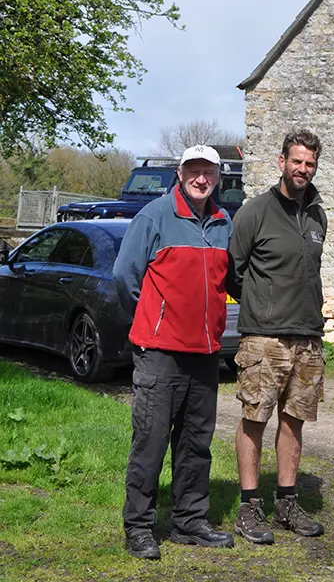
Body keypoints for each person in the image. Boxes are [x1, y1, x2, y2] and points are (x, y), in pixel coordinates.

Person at [114, 144, 234, 560]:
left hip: (205, 353)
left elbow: (226, 282)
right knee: (150, 441)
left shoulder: (223, 222)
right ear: (180, 174)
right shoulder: (155, 216)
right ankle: (140, 526)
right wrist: (154, 321)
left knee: (196, 443)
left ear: (218, 177)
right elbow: (124, 276)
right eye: (194, 171)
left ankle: (190, 520)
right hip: (160, 352)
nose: (201, 179)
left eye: (209, 172)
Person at [227, 129, 327, 544]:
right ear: (282, 161)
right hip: (264, 339)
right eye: (297, 161)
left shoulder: (318, 214)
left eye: (310, 163)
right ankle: (249, 507)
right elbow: (234, 271)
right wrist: (262, 308)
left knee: (294, 421)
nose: (302, 169)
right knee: (254, 420)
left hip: (308, 339)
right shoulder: (255, 212)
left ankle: (286, 501)